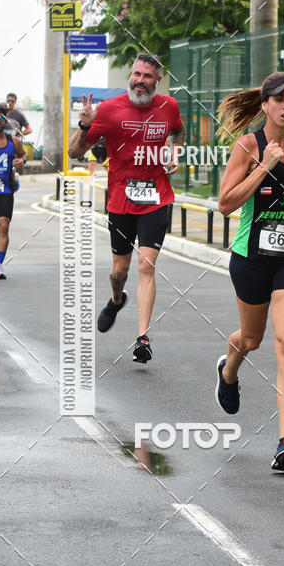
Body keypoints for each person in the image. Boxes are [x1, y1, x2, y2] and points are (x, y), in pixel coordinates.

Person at [215, 71, 284, 472]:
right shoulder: (248, 146)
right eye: (279, 100)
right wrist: (263, 167)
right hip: (251, 258)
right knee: (252, 338)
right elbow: (225, 204)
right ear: (264, 105)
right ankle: (228, 370)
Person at [68, 53, 184, 363]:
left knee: (146, 266)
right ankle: (117, 299)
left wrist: (174, 152)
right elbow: (75, 152)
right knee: (120, 270)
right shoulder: (109, 110)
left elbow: (177, 131)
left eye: (148, 76)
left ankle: (143, 338)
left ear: (157, 80)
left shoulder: (168, 107)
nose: (141, 80)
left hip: (157, 198)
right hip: (120, 201)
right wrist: (83, 125)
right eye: (137, 74)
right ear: (129, 77)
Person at [0, 103, 27, 279]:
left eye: (1, 117)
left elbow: (23, 154)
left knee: (3, 226)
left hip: (4, 191)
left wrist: (22, 161)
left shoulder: (14, 141)